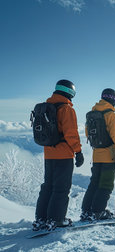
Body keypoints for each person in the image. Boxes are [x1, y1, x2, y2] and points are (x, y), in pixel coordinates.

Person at [33, 79, 84, 231]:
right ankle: (56, 219)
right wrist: (78, 151)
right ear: (70, 92)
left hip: (48, 154)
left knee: (47, 186)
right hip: (64, 155)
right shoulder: (66, 108)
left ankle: (41, 219)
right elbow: (71, 134)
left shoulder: (46, 106)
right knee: (61, 188)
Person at [81, 88, 115, 220]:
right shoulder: (111, 115)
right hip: (109, 156)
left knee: (94, 184)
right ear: (114, 100)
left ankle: (86, 211)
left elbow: (87, 134)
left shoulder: (91, 114)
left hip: (96, 155)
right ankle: (98, 211)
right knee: (106, 185)